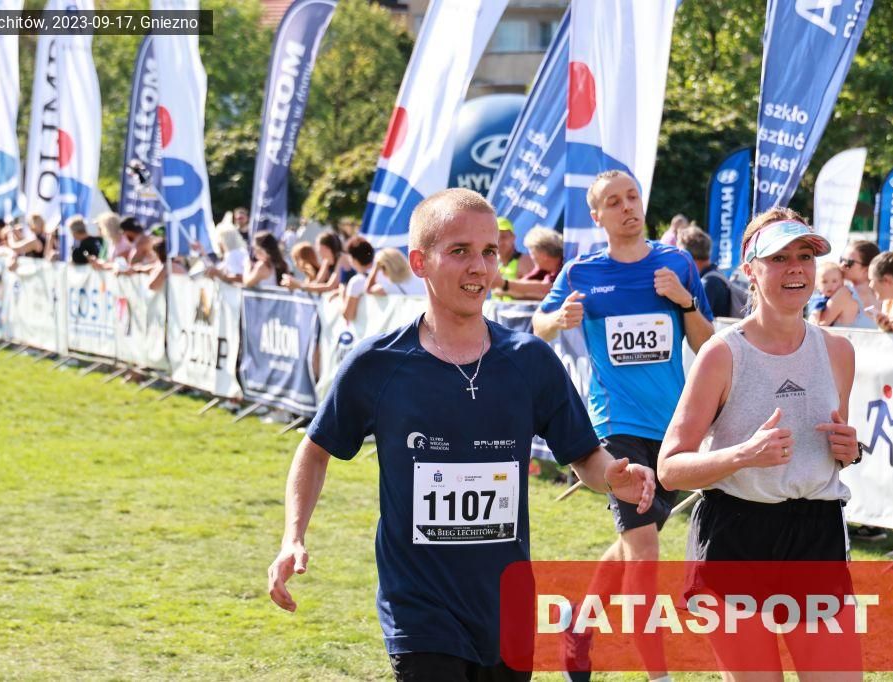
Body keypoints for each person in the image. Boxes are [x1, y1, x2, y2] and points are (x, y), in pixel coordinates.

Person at [267, 188, 655, 681]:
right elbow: (314, 451)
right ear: (419, 262)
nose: (479, 267)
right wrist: (292, 537)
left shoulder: (529, 361)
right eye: (459, 251)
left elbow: (584, 456)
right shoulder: (378, 365)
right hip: (420, 611)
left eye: (490, 251)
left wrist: (612, 476)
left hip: (506, 610)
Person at [658, 208, 861, 678]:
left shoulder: (838, 351)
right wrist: (743, 455)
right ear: (750, 269)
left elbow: (834, 451)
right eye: (779, 258)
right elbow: (669, 467)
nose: (796, 268)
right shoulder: (722, 354)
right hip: (737, 535)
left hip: (815, 535)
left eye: (805, 256)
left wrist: (849, 451)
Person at [533, 170, 714, 681]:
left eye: (632, 197)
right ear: (597, 216)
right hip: (616, 427)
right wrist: (558, 320)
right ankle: (658, 675)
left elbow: (706, 342)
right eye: (613, 202)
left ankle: (579, 623)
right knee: (646, 555)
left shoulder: (675, 264)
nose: (627, 207)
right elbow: (538, 326)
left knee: (635, 543)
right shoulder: (582, 273)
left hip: (672, 428)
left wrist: (684, 302)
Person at [492, 227, 563, 300]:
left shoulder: (565, 268)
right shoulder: (542, 269)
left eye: (532, 252)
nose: (531, 257)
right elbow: (525, 283)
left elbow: (548, 290)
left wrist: (503, 284)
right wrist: (505, 288)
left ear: (544, 254)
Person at [677, 226, 732, 318]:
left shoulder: (708, 283)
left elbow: (697, 320)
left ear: (688, 257)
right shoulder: (714, 273)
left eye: (680, 256)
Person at [491, 217, 534, 302]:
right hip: (496, 310)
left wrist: (506, 291)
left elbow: (537, 295)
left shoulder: (524, 261)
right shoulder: (493, 262)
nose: (499, 242)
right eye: (495, 237)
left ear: (513, 238)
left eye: (503, 237)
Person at [839, 239, 881, 326]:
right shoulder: (841, 292)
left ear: (867, 268)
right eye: (841, 260)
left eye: (848, 262)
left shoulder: (886, 300)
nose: (842, 265)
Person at [809, 260, 860, 327]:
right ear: (817, 284)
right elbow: (814, 318)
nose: (830, 285)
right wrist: (815, 317)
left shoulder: (846, 295)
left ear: (842, 282)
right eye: (824, 282)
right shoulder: (819, 300)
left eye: (834, 281)